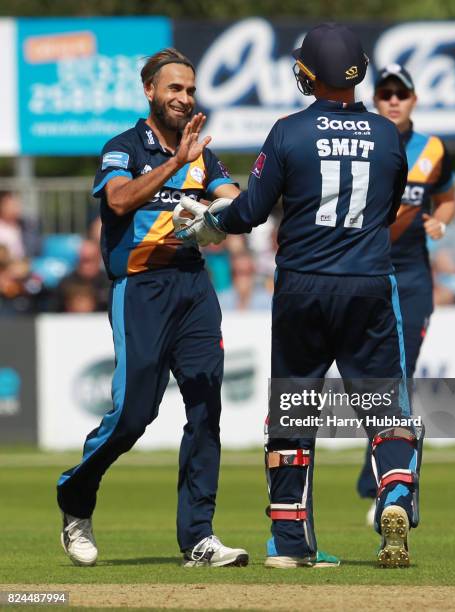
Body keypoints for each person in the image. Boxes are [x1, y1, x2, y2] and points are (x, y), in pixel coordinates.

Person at [177, 23, 423, 568]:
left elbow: (250, 212)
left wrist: (210, 220)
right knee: (386, 409)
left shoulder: (288, 131)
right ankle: (397, 497)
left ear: (309, 74)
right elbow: (386, 213)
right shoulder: (388, 136)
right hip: (367, 285)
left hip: (301, 287)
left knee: (293, 412)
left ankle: (290, 544)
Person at [56, 48, 248, 568]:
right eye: (174, 89)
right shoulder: (123, 147)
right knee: (133, 416)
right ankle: (75, 497)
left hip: (193, 288)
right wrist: (175, 165)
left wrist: (220, 213)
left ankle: (199, 538)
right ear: (150, 91)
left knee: (207, 410)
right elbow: (118, 201)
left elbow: (232, 201)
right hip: (140, 288)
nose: (184, 98)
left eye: (190, 89)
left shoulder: (202, 153)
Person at [356, 64, 455, 521]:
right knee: (367, 378)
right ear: (375, 99)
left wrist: (442, 220)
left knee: (402, 375)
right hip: (362, 271)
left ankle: (395, 483)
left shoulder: (432, 149)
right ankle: (385, 458)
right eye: (386, 93)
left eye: (402, 93)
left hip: (412, 274)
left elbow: (447, 197)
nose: (393, 100)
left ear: (414, 100)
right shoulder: (362, 139)